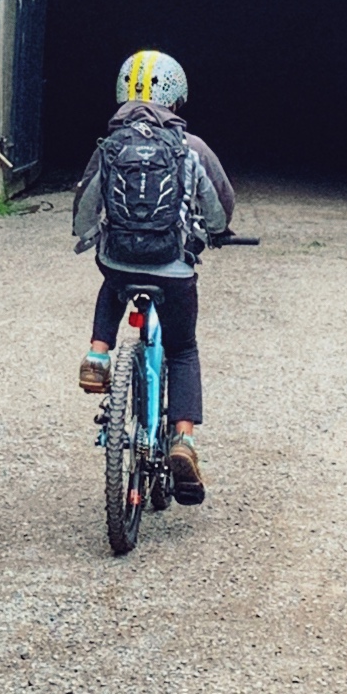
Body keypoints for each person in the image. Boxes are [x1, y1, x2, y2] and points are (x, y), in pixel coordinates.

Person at [71, 50, 231, 503]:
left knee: (111, 280)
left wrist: (87, 237)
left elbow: (87, 201)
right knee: (183, 349)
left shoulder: (110, 145)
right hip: (174, 265)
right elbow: (219, 201)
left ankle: (99, 355)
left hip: (119, 259)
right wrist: (218, 233)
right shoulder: (189, 147)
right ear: (176, 97)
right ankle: (183, 439)